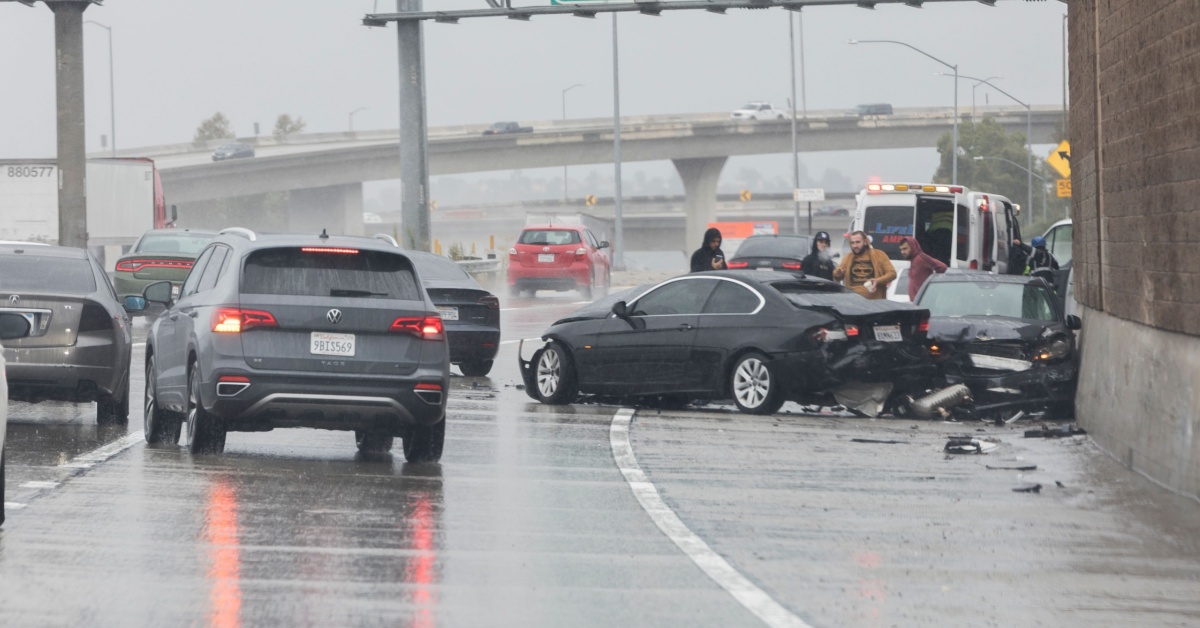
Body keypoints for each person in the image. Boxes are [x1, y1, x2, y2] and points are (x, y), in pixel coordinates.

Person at [833, 231, 896, 300]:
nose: (855, 246)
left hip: (875, 303)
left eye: (858, 242)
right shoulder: (848, 258)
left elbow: (892, 273)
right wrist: (838, 275)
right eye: (852, 243)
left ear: (865, 242)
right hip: (853, 302)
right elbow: (836, 276)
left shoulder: (879, 255)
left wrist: (877, 281)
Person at [899, 236, 947, 300]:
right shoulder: (913, 260)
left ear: (913, 247)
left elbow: (942, 267)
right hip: (915, 301)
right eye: (901, 249)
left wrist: (933, 282)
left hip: (924, 301)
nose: (902, 252)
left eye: (905, 249)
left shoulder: (921, 258)